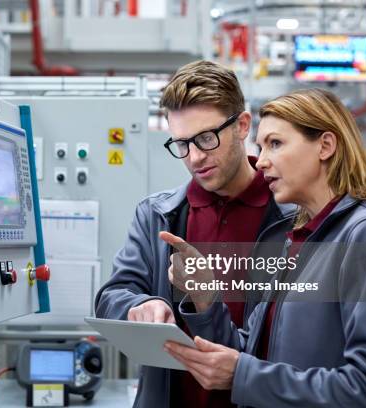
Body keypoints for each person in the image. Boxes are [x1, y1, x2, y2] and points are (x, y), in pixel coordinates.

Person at [164, 88, 366, 407]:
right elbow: (254, 354)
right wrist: (206, 298)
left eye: (275, 143)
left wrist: (244, 375)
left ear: (325, 145)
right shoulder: (297, 244)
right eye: (260, 146)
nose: (261, 162)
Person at [94, 60, 295, 407]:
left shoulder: (291, 219)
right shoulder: (157, 215)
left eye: (206, 137)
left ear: (242, 125)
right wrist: (143, 304)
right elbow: (112, 295)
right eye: (182, 143)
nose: (196, 157)